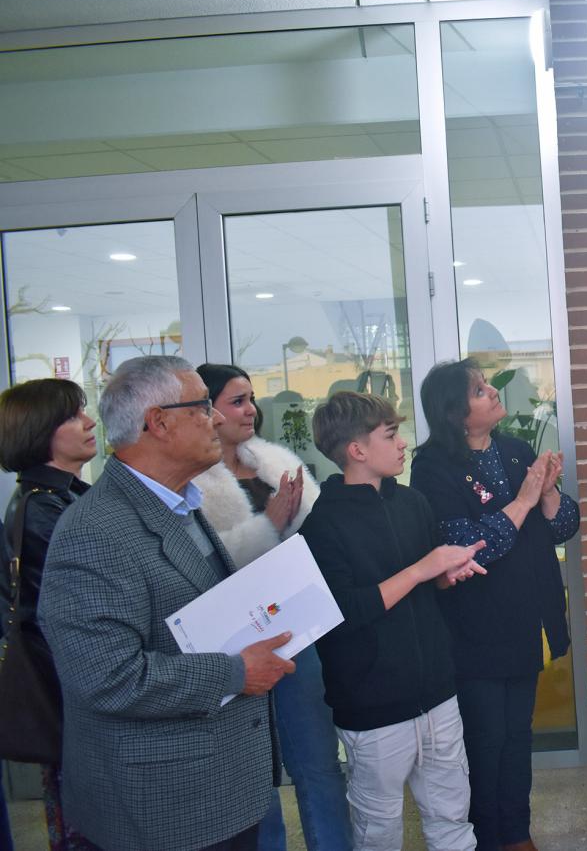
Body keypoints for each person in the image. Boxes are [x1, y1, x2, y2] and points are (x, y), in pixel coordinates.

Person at [37, 355, 295, 851]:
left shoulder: (180, 504)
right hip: (164, 806)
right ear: (158, 422)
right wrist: (237, 672)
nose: (216, 419)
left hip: (219, 786)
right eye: (202, 406)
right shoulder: (94, 531)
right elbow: (108, 677)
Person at [299, 391, 486, 851]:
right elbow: (343, 613)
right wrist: (423, 569)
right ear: (357, 450)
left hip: (437, 694)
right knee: (378, 833)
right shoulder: (322, 524)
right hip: (374, 710)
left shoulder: (412, 503)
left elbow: (423, 586)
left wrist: (444, 575)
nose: (403, 443)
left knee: (453, 820)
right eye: (390, 435)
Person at [410, 359, 579, 851]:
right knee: (485, 743)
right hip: (475, 630)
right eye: (480, 390)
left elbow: (564, 526)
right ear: (455, 412)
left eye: (486, 385)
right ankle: (486, 838)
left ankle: (517, 834)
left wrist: (548, 493)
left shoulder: (515, 450)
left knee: (518, 738)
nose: (492, 392)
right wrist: (524, 500)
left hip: (527, 620)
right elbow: (467, 547)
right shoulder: (433, 467)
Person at [192, 363, 351, 851]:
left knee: (318, 761)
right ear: (207, 409)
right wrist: (269, 523)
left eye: (252, 399)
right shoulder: (193, 482)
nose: (251, 410)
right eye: (238, 401)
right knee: (254, 772)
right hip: (235, 644)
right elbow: (202, 566)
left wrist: (300, 521)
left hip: (297, 630)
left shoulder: (274, 462)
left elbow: (321, 538)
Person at [0, 379, 96, 851]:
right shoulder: (43, 507)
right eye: (73, 416)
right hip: (69, 696)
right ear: (41, 431)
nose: (89, 422)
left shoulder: (64, 496)